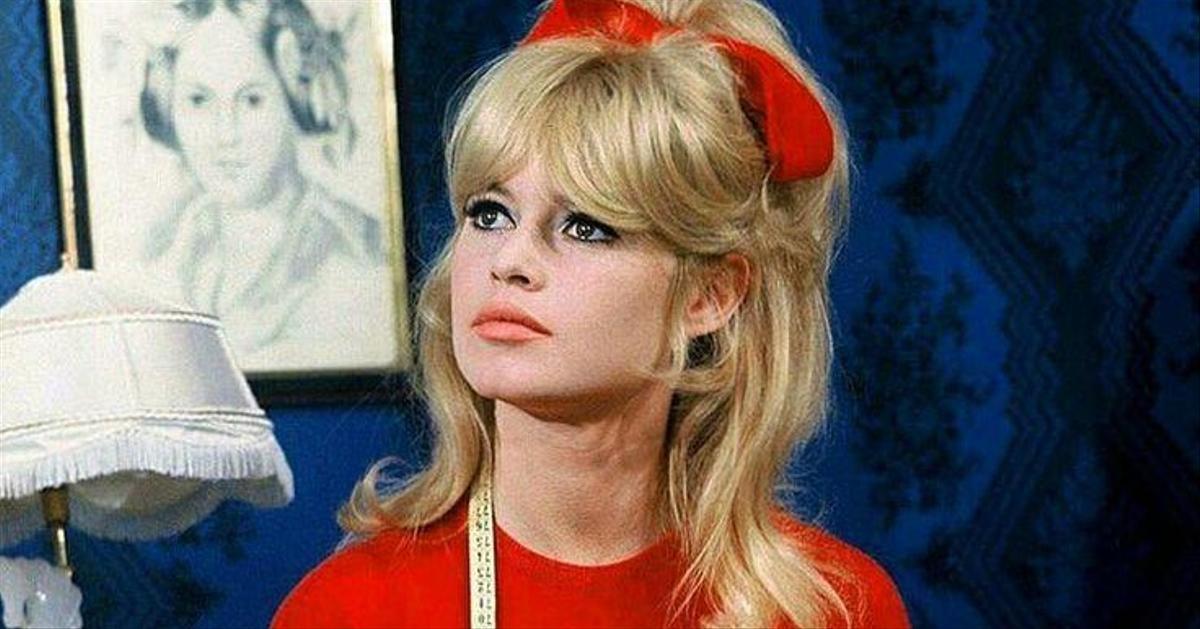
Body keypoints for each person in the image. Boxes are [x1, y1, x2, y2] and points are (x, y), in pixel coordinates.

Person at [273, 0, 910, 626]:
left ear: (710, 296)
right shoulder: (346, 611)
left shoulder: (836, 610)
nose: (510, 260)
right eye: (489, 214)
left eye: (585, 226)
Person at [139, 0, 393, 370]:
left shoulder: (356, 254)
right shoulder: (165, 251)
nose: (226, 134)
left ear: (296, 102)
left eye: (252, 100)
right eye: (199, 100)